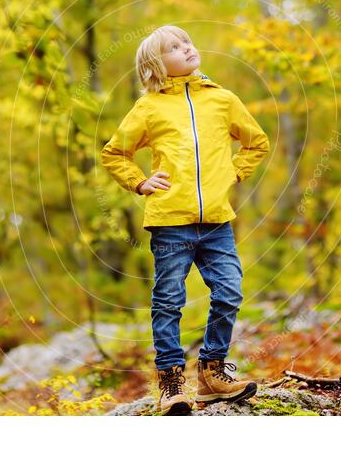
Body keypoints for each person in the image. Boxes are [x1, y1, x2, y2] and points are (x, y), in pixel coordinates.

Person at [101, 25, 270, 415]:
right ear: (156, 67)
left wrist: (233, 172)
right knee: (169, 301)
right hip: (169, 221)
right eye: (174, 48)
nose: (187, 48)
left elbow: (256, 141)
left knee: (229, 292)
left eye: (187, 42)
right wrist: (140, 182)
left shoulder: (222, 99)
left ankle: (212, 374)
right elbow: (115, 153)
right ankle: (171, 382)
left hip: (216, 222)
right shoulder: (148, 107)